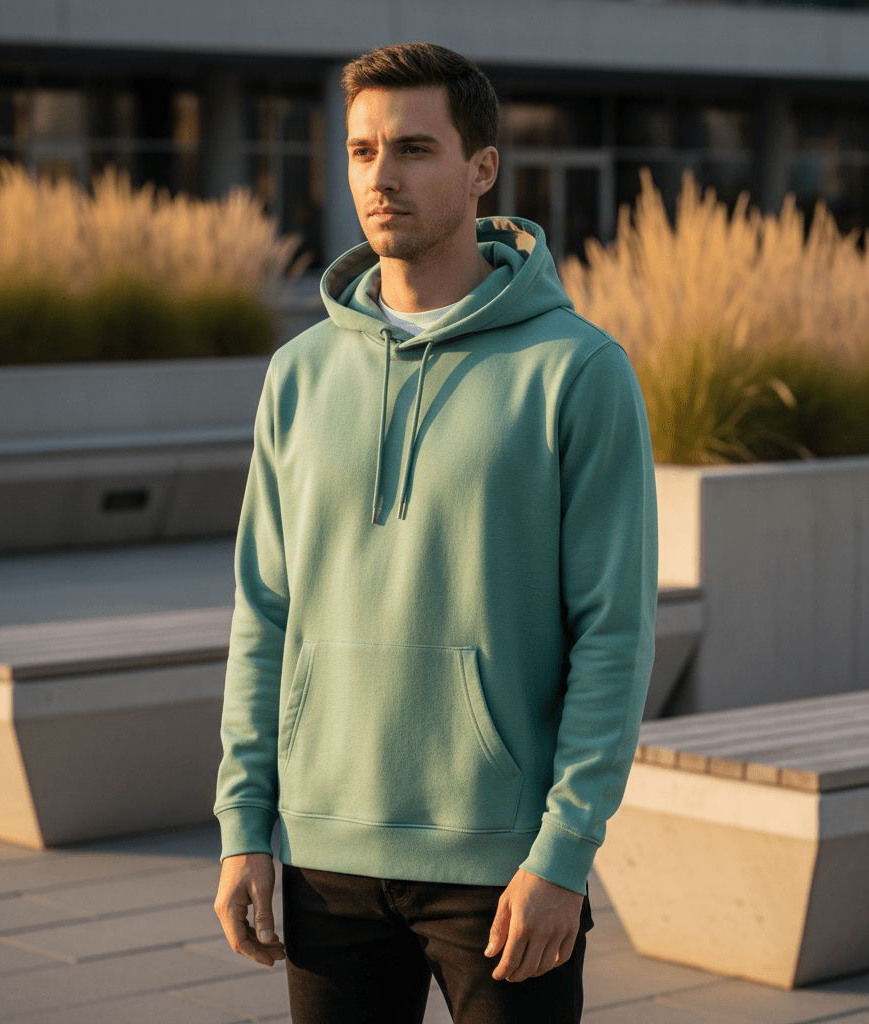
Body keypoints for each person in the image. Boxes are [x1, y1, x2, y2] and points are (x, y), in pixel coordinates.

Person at [213, 41, 657, 1024]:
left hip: (501, 864)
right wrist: (245, 822)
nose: (381, 177)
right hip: (325, 855)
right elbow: (264, 611)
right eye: (362, 151)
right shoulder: (299, 373)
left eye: (413, 148)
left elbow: (614, 632)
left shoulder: (576, 373)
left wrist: (564, 850)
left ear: (481, 169)